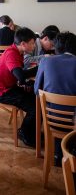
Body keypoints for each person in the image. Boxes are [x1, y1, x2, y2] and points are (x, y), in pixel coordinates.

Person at [0, 27, 38, 147]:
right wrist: (38, 69)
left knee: (37, 99)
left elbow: (19, 76)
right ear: (23, 44)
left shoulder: (17, 51)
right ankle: (24, 132)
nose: (34, 46)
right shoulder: (11, 53)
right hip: (2, 92)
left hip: (10, 87)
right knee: (35, 107)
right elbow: (20, 76)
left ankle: (32, 131)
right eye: (32, 43)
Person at [34, 32, 76, 166]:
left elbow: (37, 90)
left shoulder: (46, 61)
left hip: (52, 119)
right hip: (74, 122)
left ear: (56, 47)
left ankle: (58, 154)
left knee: (56, 110)